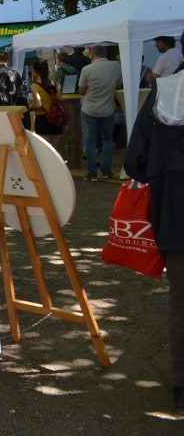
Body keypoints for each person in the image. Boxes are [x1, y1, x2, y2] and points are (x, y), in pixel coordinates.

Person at [123, 62, 184, 410]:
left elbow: (135, 160)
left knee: (181, 301)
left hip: (175, 213)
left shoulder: (164, 91)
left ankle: (181, 383)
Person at [78, 44, 122, 181]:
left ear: (92, 54)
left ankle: (92, 172)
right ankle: (106, 169)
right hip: (108, 108)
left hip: (90, 109)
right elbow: (119, 86)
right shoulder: (116, 66)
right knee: (108, 140)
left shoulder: (86, 69)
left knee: (90, 141)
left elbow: (81, 91)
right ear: (106, 54)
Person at [29, 58, 62, 149]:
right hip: (55, 118)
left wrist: (30, 107)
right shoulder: (53, 84)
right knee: (55, 150)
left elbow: (38, 104)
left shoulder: (34, 85)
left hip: (42, 119)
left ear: (35, 71)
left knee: (45, 150)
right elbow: (59, 99)